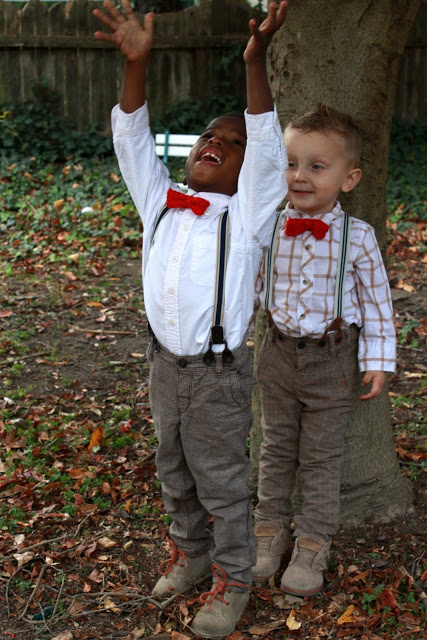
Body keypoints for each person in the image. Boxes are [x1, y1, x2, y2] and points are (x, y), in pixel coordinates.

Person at [93, 0, 288, 636]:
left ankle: (235, 578)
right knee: (172, 466)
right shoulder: (160, 204)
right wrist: (137, 67)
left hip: (218, 375)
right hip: (162, 364)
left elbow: (263, 144)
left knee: (222, 480)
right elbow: (130, 138)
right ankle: (192, 553)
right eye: (209, 134)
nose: (217, 143)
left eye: (231, 144)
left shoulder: (250, 216)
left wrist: (254, 64)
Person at [253, 104, 396, 597]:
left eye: (318, 166)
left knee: (320, 457)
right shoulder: (268, 227)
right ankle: (268, 531)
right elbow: (249, 287)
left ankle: (313, 542)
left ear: (349, 178)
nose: (300, 176)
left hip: (334, 360)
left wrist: (378, 360)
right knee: (275, 448)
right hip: (276, 353)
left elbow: (377, 301)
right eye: (292, 163)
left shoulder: (358, 237)